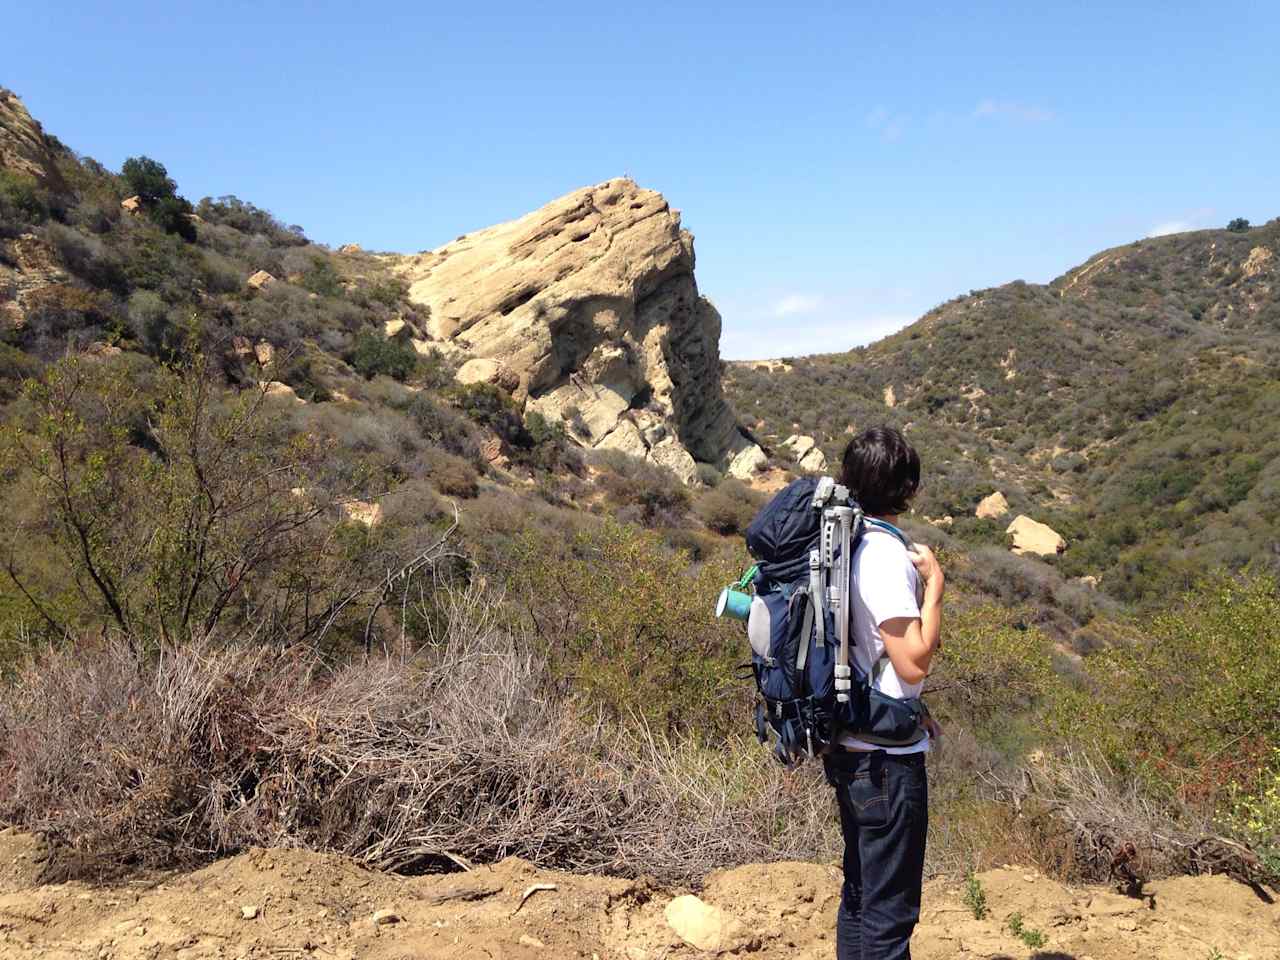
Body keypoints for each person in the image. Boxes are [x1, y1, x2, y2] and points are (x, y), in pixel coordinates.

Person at [824, 425, 943, 960]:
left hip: (853, 747)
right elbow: (913, 662)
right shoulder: (885, 555)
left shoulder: (844, 545)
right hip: (888, 769)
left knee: (861, 898)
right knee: (889, 918)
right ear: (908, 489)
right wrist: (935, 589)